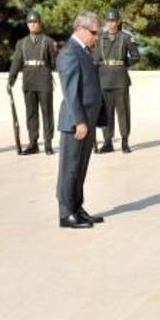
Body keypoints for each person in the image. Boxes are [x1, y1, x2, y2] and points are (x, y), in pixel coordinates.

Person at [56, 11, 105, 229]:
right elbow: (70, 91)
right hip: (76, 123)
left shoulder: (84, 51)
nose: (97, 37)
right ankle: (66, 213)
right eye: (94, 32)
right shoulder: (69, 53)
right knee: (70, 167)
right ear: (81, 29)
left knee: (81, 167)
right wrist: (80, 121)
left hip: (87, 120)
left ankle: (77, 207)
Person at [8, 10, 58, 155]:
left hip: (43, 79)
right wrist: (11, 79)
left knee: (47, 113)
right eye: (30, 22)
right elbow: (16, 63)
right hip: (29, 80)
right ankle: (33, 143)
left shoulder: (48, 41)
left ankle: (48, 143)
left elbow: (55, 63)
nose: (32, 24)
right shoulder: (21, 43)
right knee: (31, 113)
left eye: (35, 22)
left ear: (39, 23)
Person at [94, 8, 139, 154]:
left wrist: (124, 63)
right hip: (104, 78)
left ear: (118, 21)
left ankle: (125, 141)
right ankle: (108, 142)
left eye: (113, 20)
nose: (111, 23)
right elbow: (95, 59)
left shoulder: (126, 37)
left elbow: (136, 56)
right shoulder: (100, 38)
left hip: (120, 78)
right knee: (106, 112)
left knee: (123, 111)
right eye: (108, 20)